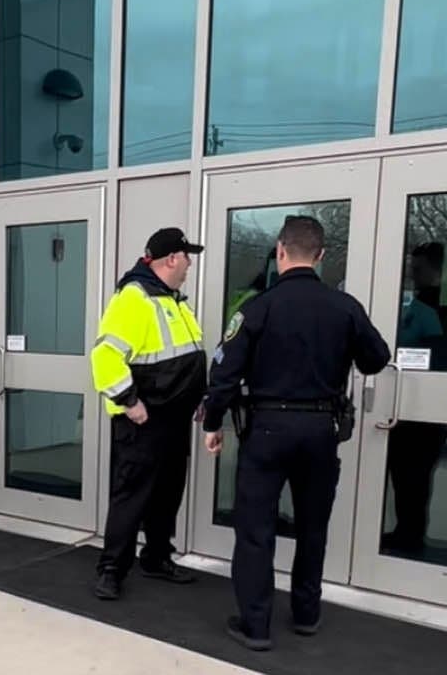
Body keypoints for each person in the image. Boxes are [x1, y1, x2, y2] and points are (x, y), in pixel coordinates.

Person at [202, 215, 390, 651]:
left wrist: (213, 424)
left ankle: (256, 626)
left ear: (280, 251)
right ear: (321, 256)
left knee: (255, 529)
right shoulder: (346, 308)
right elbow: (376, 359)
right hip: (321, 430)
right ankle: (306, 613)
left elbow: (225, 375)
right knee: (313, 526)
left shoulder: (256, 308)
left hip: (266, 429)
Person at [90, 228, 207, 601]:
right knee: (131, 494)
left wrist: (200, 397)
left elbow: (186, 357)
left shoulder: (173, 301)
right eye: (187, 256)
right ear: (171, 258)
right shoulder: (134, 299)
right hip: (143, 419)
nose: (190, 263)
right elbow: (105, 356)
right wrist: (129, 401)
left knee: (167, 492)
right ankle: (111, 570)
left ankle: (156, 558)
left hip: (174, 418)